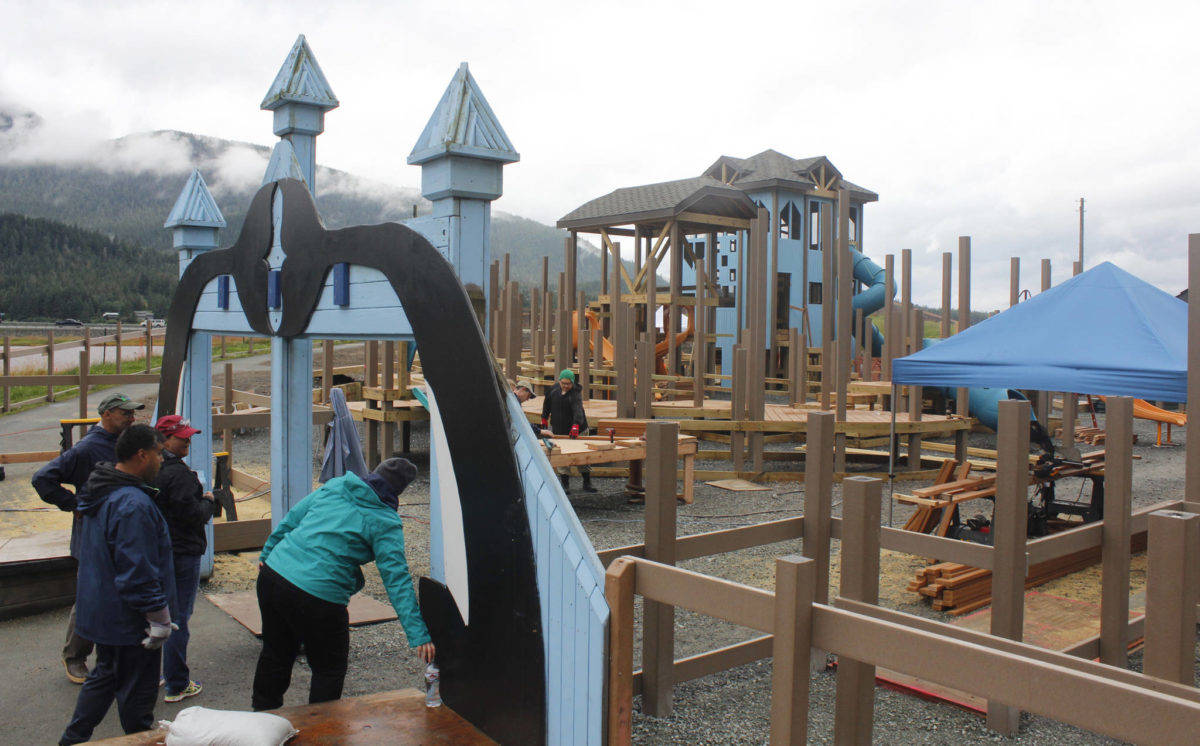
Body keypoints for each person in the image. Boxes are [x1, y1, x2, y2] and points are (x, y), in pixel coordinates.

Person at [251, 458, 435, 711]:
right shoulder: (385, 521)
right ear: (399, 490)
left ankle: (261, 720)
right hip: (319, 597)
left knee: (276, 653)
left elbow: (292, 519)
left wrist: (267, 553)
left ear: (373, 473)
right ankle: (319, 730)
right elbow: (397, 580)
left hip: (274, 576)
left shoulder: (336, 486)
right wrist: (418, 635)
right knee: (329, 668)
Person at [59, 425, 176, 745]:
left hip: (102, 611)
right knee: (138, 700)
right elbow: (137, 569)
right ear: (142, 455)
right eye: (158, 453)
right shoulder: (132, 504)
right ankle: (140, 739)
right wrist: (158, 616)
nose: (162, 460)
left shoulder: (101, 488)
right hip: (129, 620)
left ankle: (73, 739)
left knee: (104, 676)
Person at [34, 391, 145, 684]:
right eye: (125, 414)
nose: (131, 419)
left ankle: (115, 655)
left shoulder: (123, 443)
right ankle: (75, 656)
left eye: (133, 414)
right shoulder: (87, 449)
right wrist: (74, 504)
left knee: (119, 591)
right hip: (93, 533)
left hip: (121, 530)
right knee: (90, 594)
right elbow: (42, 478)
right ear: (106, 414)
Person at [152, 415, 215, 703]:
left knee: (158, 612)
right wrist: (209, 502)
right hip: (183, 551)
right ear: (166, 440)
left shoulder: (155, 468)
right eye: (182, 437)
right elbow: (191, 516)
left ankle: (157, 673)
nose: (188, 441)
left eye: (189, 436)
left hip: (161, 550)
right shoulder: (177, 474)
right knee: (178, 617)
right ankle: (177, 683)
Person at [540, 369, 596, 492]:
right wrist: (544, 418)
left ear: (572, 383)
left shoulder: (575, 393)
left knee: (583, 456)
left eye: (568, 384)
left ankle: (587, 482)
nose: (565, 386)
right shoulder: (553, 390)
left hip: (577, 429)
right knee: (561, 456)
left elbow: (578, 411)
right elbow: (547, 405)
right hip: (559, 429)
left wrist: (575, 425)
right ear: (559, 381)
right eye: (563, 383)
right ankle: (565, 485)